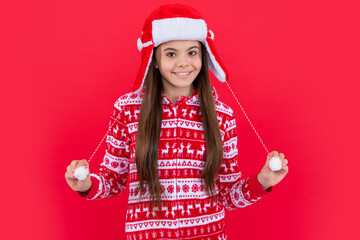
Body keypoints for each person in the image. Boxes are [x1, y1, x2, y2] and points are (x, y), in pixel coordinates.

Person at [65, 4, 289, 240]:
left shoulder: (223, 115)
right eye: (171, 53)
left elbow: (226, 194)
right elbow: (113, 178)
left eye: (192, 52)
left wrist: (262, 181)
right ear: (153, 59)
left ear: (203, 55)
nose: (184, 62)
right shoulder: (127, 109)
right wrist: (87, 185)